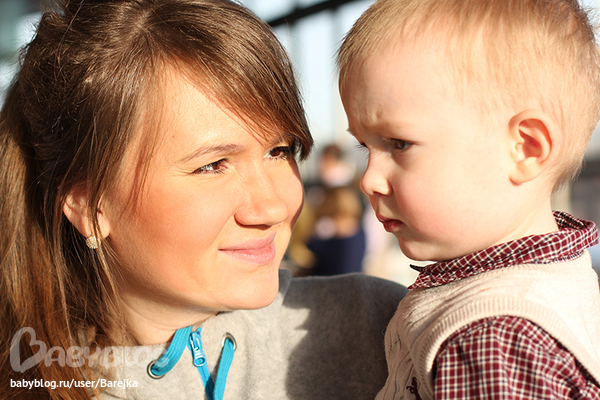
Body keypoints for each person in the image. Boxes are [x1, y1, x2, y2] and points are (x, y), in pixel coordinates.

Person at [0, 1, 408, 399]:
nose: (273, 207)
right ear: (90, 207)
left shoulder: (393, 335)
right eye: (212, 165)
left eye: (279, 151)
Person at [337, 0, 600, 398]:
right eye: (365, 147)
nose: (369, 180)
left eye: (399, 143)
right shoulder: (563, 275)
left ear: (525, 148)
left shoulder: (492, 342)